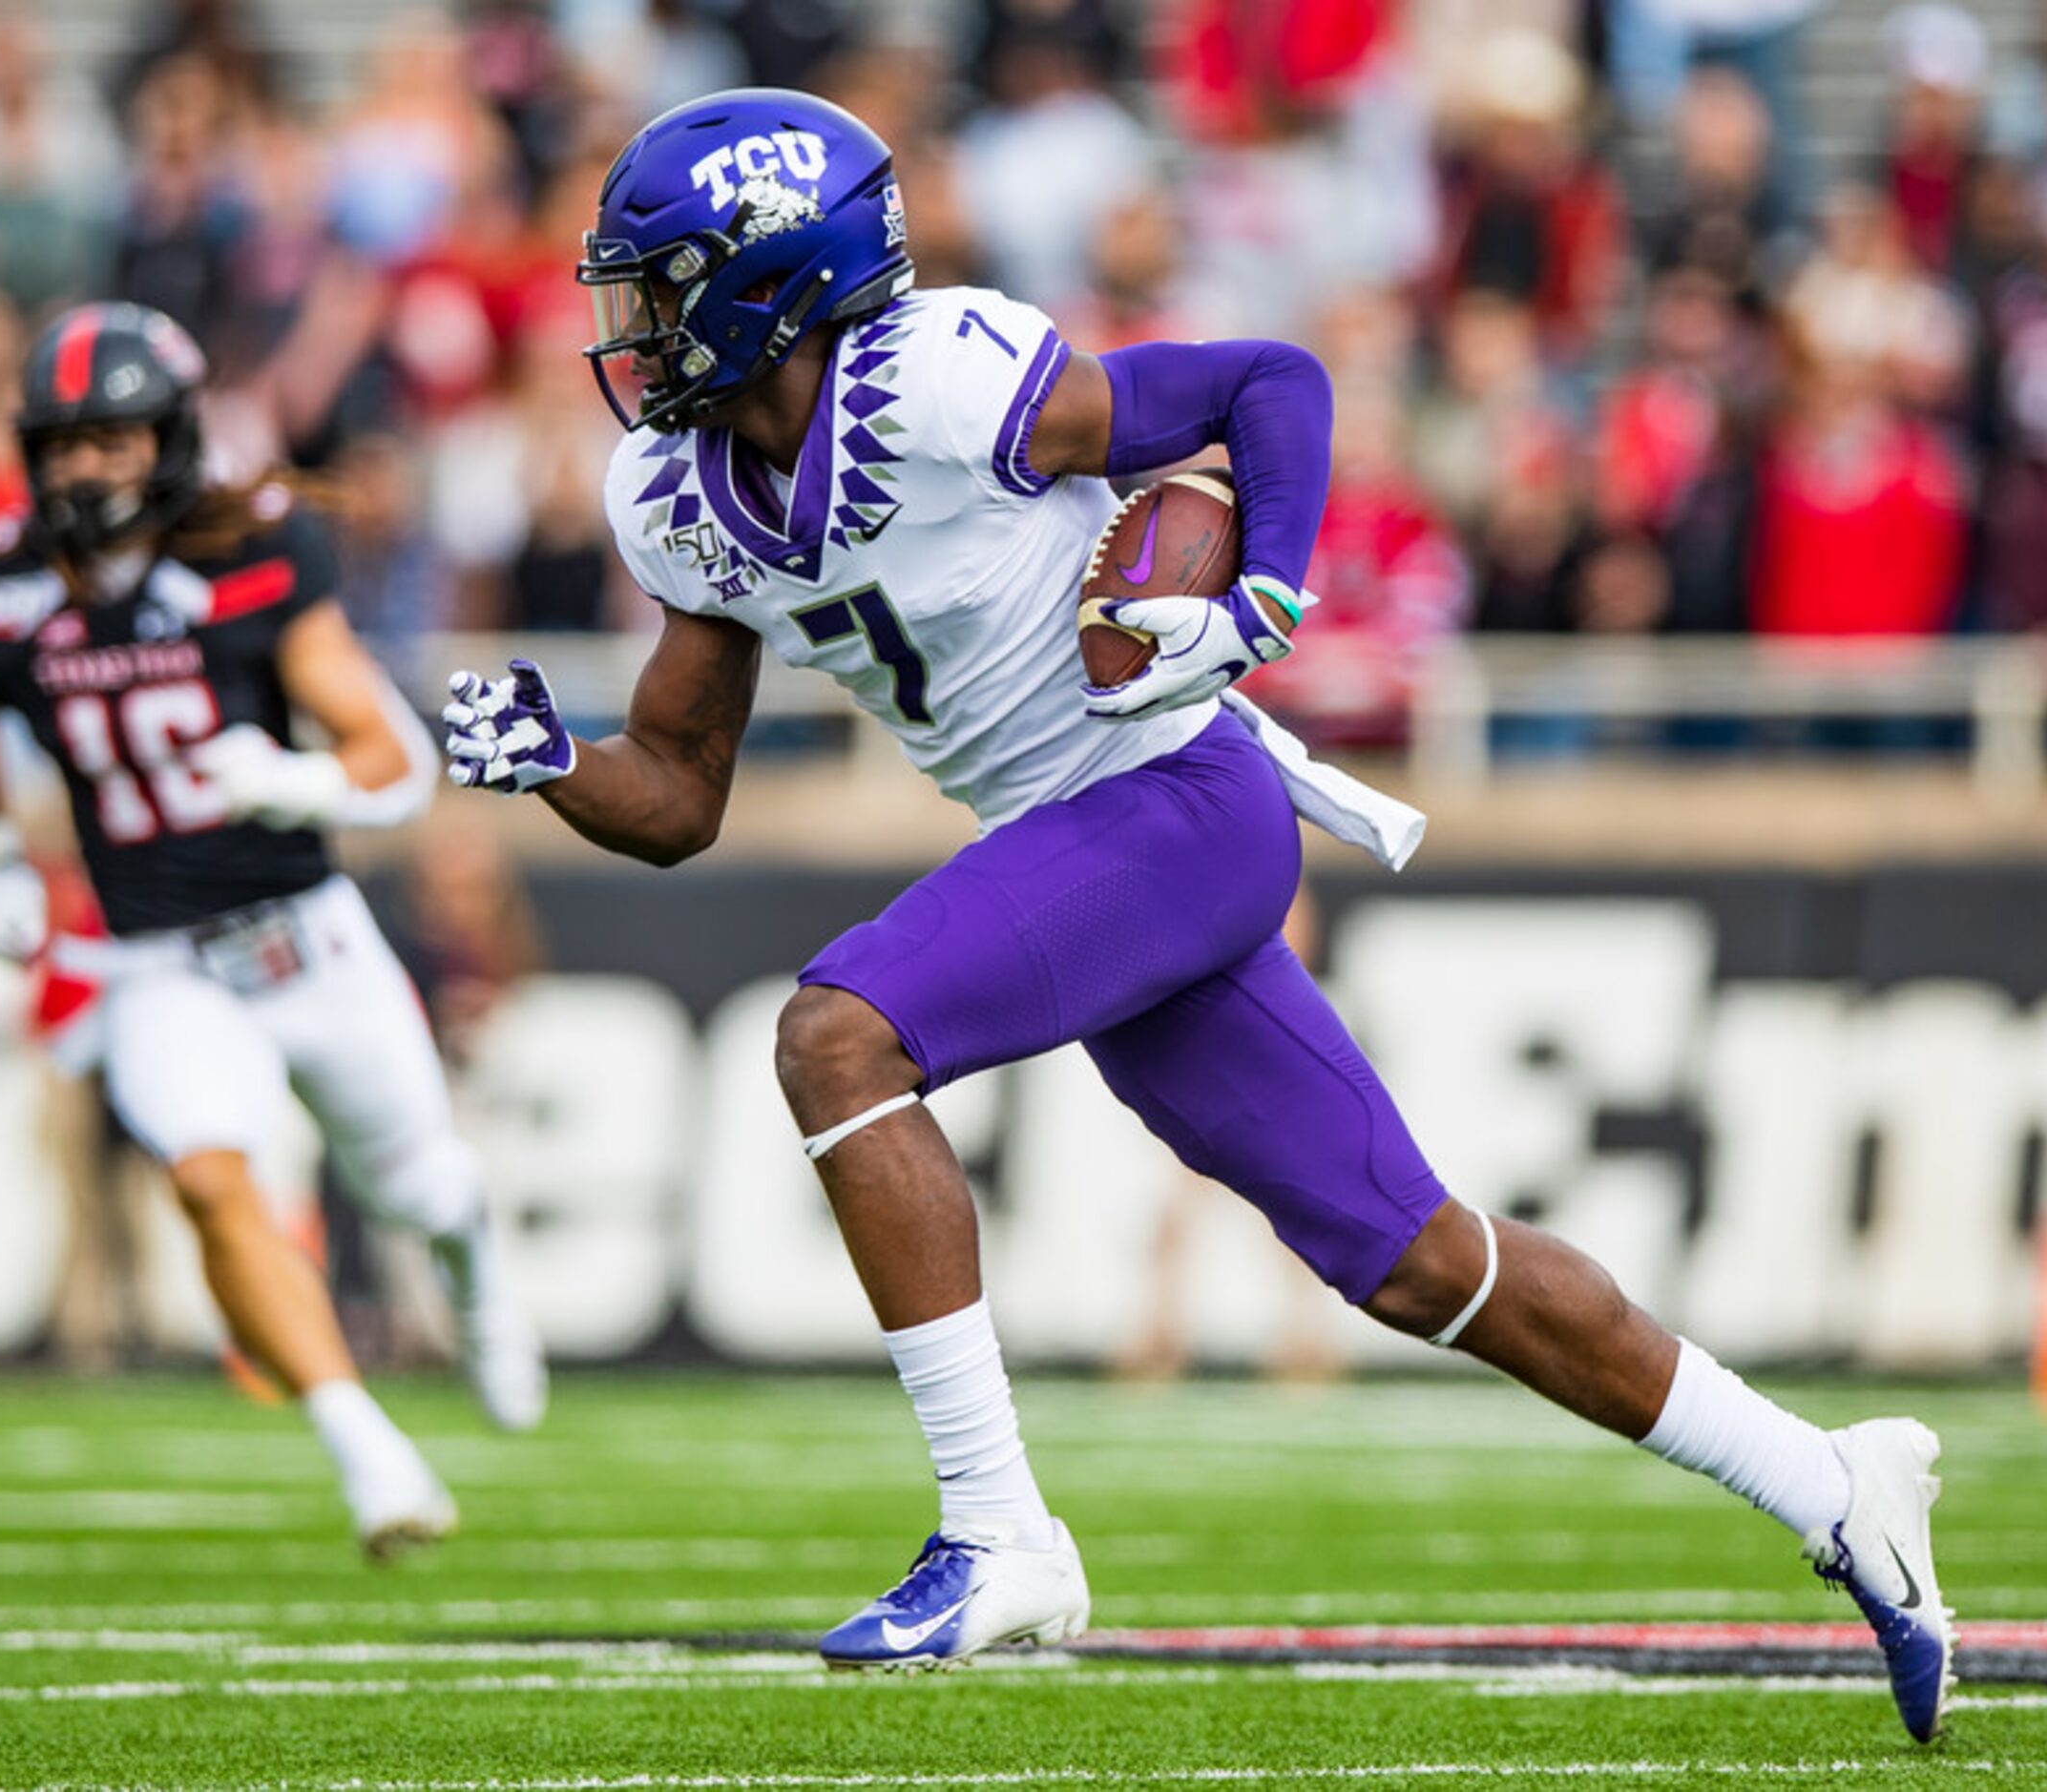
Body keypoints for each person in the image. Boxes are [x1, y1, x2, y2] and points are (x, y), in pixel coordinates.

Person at [442, 91, 1955, 1741]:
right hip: (1086, 847)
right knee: (1422, 1259)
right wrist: (553, 762)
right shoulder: (674, 500)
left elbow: (1264, 383)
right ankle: (1832, 1478)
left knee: (835, 1032)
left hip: (1174, 797)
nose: (628, 333)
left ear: (770, 285)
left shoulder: (942, 375)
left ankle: (999, 1527)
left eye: (657, 290)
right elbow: (676, 789)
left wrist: (1267, 590)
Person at [0, 302, 544, 1558]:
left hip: (305, 934)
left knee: (420, 1181)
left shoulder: (252, 554)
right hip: (156, 960)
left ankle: (472, 1256)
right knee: (211, 1180)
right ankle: (368, 1450)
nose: (85, 466)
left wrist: (303, 780)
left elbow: (391, 756)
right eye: (63, 442)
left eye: (113, 437)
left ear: (174, 436)